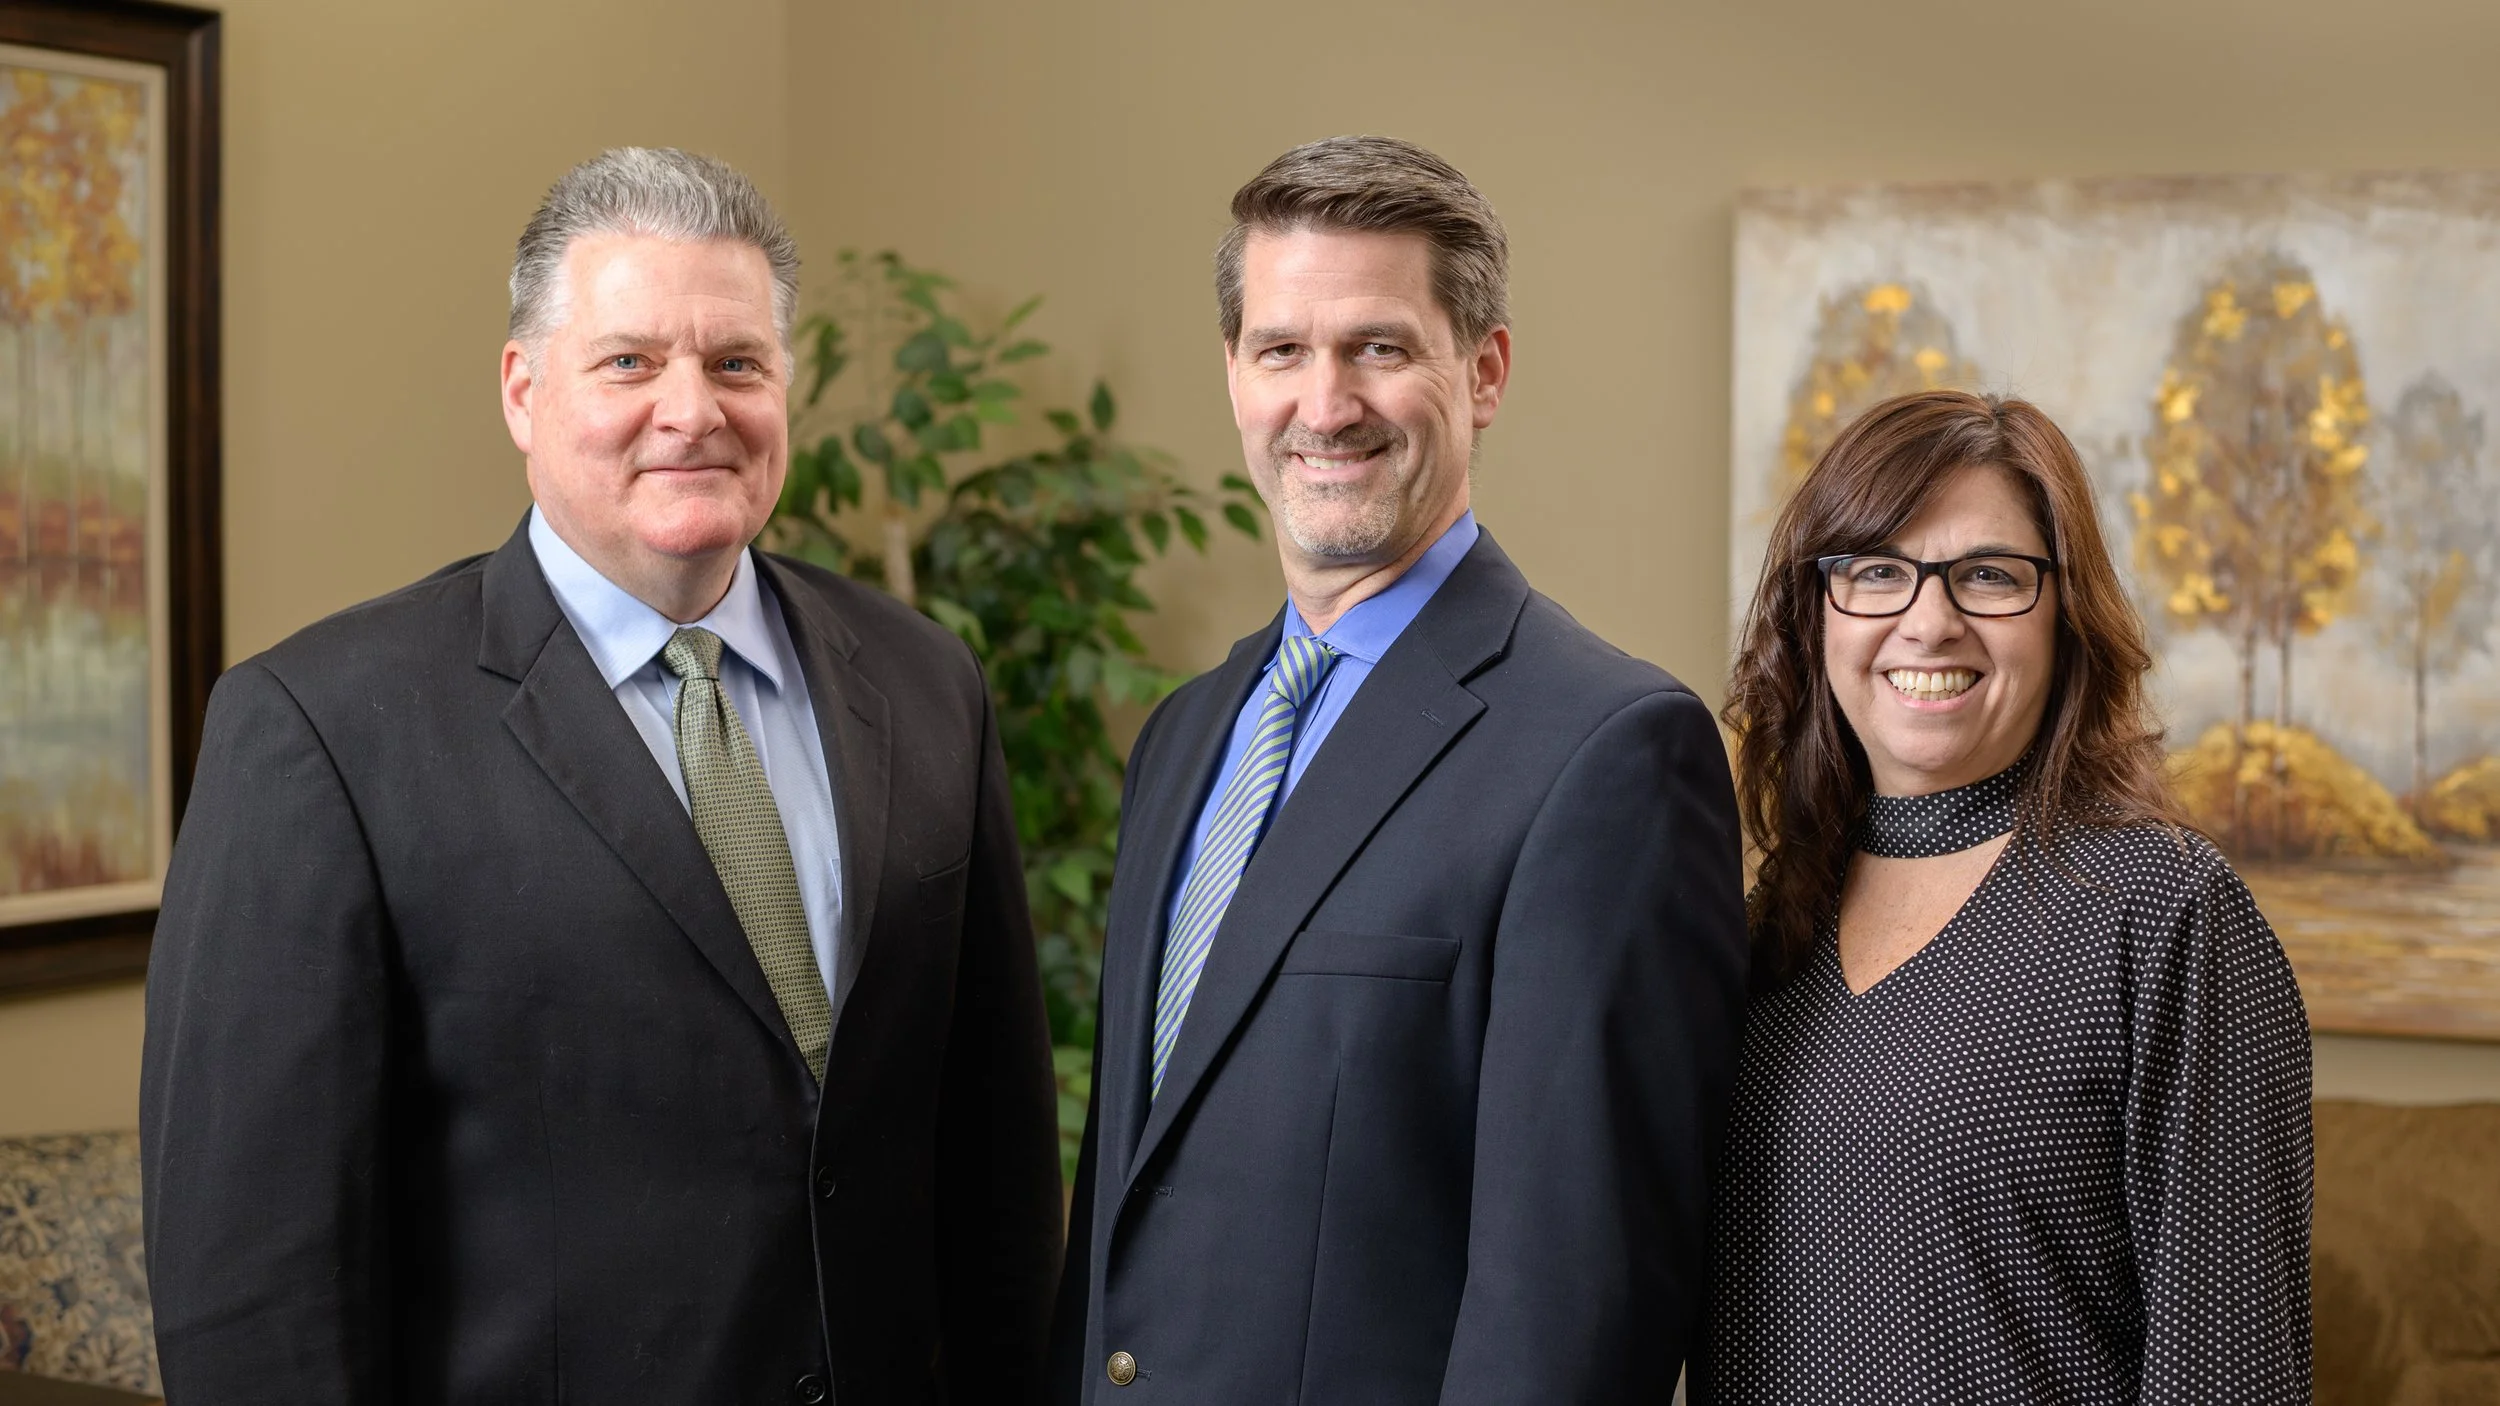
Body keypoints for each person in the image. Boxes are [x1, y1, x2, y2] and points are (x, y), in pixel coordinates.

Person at [140, 147, 1062, 1403]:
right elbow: (254, 1281)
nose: (693, 409)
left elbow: (997, 1170)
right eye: (628, 361)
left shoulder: (923, 679)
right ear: (523, 392)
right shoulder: (319, 728)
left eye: (737, 362)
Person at [1047, 134, 1749, 1404]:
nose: (1325, 405)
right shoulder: (1184, 736)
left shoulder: (1609, 752)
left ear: (1482, 372)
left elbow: (1572, 1309)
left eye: (1378, 346)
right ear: (1233, 374)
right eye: (1281, 351)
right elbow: (1124, 1207)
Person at [1696, 389, 2312, 1403]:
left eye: (1988, 575)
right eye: (1878, 571)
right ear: (1814, 615)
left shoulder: (2165, 915)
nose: (1927, 622)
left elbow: (2229, 1371)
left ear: (2066, 613)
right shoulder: (1773, 918)